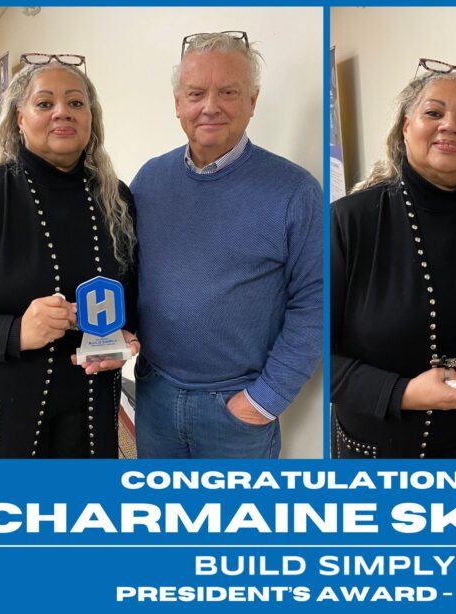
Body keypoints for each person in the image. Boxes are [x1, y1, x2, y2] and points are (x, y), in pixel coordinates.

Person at [330, 59, 456, 459]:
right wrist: (403, 392)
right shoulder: (350, 221)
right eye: (433, 113)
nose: (450, 125)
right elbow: (316, 354)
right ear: (405, 126)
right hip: (382, 451)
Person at [130, 31, 322, 458]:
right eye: (196, 93)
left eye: (228, 92)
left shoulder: (296, 191)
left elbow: (315, 302)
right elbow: (133, 273)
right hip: (155, 393)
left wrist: (265, 400)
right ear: (178, 103)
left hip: (236, 409)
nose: (210, 106)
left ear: (252, 101)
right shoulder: (149, 180)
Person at [0, 57, 139, 459]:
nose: (62, 112)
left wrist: (127, 335)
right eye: (44, 103)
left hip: (90, 415)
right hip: (0, 420)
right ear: (20, 118)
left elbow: (133, 295)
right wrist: (14, 331)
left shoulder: (117, 199)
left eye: (76, 103)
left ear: (91, 118)